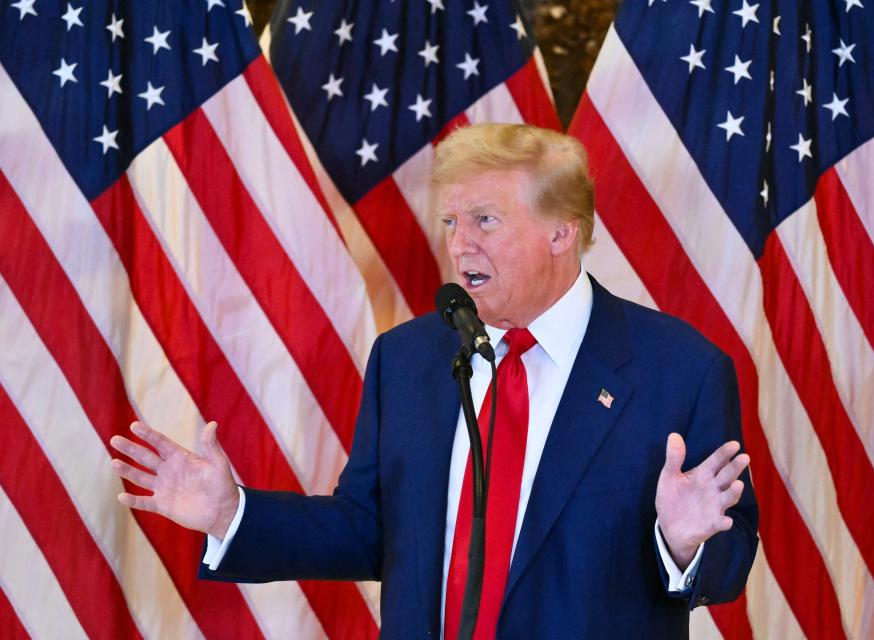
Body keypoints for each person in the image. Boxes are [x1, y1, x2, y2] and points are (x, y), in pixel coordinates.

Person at [110, 123, 758, 639]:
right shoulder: (410, 359)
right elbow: (368, 530)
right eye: (451, 222)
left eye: (485, 220)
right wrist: (234, 513)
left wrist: (679, 543)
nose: (459, 244)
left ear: (562, 232)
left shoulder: (680, 369)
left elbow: (728, 565)